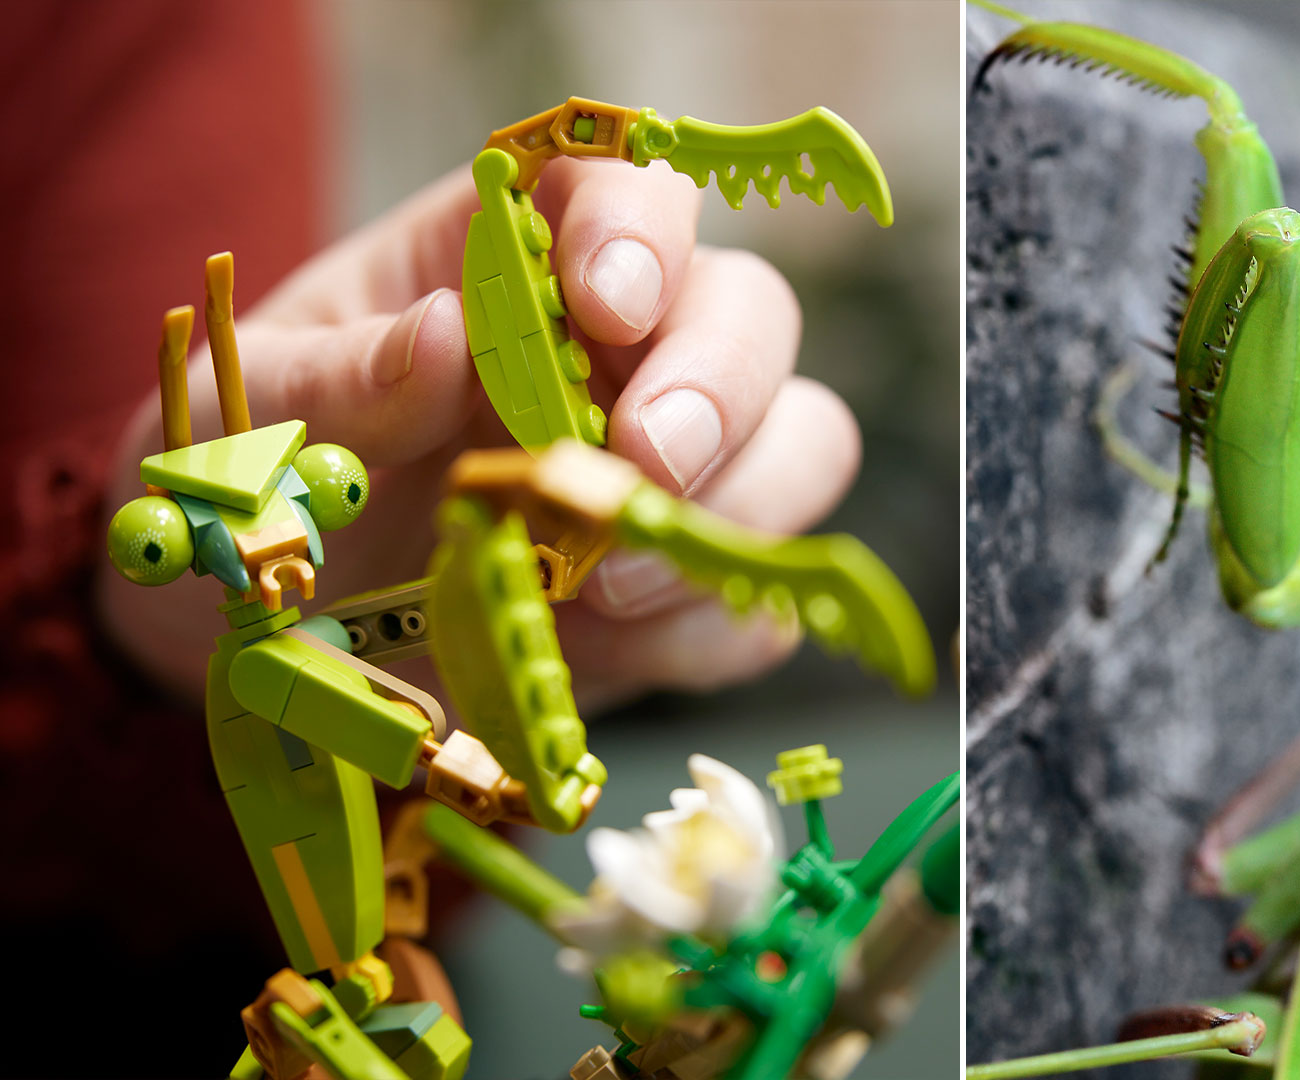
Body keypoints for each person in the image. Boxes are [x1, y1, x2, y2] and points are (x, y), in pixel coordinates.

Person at [1, 2, 863, 1071]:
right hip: (309, 957)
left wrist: (501, 603)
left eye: (314, 492)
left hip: (338, 915)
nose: (279, 546)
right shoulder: (266, 667)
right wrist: (480, 779)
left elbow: (385, 644)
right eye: (213, 536)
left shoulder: (291, 639)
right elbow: (361, 712)